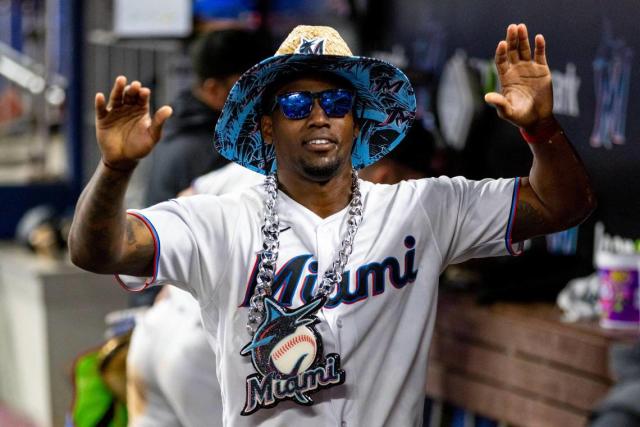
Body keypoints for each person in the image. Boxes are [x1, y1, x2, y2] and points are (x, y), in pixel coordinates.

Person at [69, 24, 595, 426]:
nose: (319, 115)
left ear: (356, 121)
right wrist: (115, 169)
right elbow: (99, 249)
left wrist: (542, 130)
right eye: (297, 102)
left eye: (337, 102)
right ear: (268, 127)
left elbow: (562, 206)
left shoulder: (423, 208)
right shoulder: (220, 221)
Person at [144, 28, 268, 206]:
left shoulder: (187, 124)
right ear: (213, 89)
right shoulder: (199, 149)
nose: (263, 96)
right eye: (252, 88)